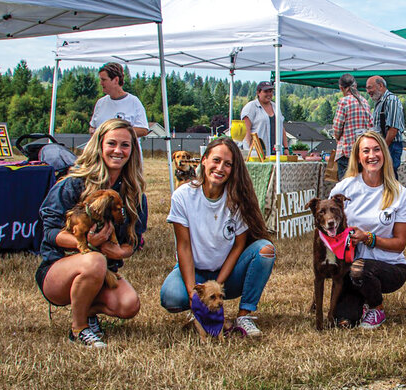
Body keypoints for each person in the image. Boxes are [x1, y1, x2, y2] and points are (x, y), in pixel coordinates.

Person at [36, 119, 148, 348]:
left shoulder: (134, 193)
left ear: (133, 151)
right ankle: (79, 329)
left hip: (103, 269)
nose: (118, 150)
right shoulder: (74, 184)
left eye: (125, 145)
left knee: (129, 305)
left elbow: (133, 242)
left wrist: (119, 252)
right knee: (94, 259)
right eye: (112, 143)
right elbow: (47, 233)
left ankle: (85, 307)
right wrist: (86, 243)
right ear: (99, 145)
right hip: (59, 269)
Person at [160, 137, 276, 337]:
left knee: (265, 249)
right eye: (216, 160)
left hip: (227, 275)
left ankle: (244, 316)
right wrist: (193, 293)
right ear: (204, 160)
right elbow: (184, 246)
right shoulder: (183, 196)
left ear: (234, 169)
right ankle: (198, 312)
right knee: (170, 296)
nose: (220, 168)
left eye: (228, 164)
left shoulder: (237, 200)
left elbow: (239, 246)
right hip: (194, 272)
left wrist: (217, 285)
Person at [329, 131, 406, 329]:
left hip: (389, 266)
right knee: (343, 321)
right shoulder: (344, 189)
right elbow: (327, 227)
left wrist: (368, 238)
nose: (371, 155)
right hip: (349, 265)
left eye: (376, 150)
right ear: (358, 157)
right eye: (365, 151)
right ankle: (361, 301)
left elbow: (400, 244)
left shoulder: (400, 193)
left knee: (360, 269)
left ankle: (377, 308)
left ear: (384, 153)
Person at [89, 62, 148, 142]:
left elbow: (143, 130)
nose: (100, 83)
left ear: (116, 80)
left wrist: (115, 133)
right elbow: (92, 127)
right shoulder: (100, 103)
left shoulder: (133, 102)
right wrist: (93, 131)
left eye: (104, 80)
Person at [332, 73, 372, 180]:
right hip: (362, 151)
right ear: (356, 85)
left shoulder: (344, 102)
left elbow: (337, 127)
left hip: (347, 151)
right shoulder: (365, 101)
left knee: (345, 188)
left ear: (341, 88)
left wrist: (337, 137)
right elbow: (371, 126)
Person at [365, 76, 405, 177]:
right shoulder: (379, 102)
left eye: (370, 87)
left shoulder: (391, 100)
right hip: (384, 145)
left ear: (381, 85)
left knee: (388, 177)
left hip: (391, 145)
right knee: (381, 177)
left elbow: (393, 129)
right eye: (367, 88)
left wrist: (383, 148)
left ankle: (392, 193)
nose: (368, 91)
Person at [241, 81, 288, 157]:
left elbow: (281, 128)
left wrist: (286, 148)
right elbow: (246, 130)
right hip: (257, 154)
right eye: (266, 91)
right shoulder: (251, 107)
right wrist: (250, 149)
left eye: (271, 91)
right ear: (258, 93)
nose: (269, 94)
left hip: (277, 153)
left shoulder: (276, 107)